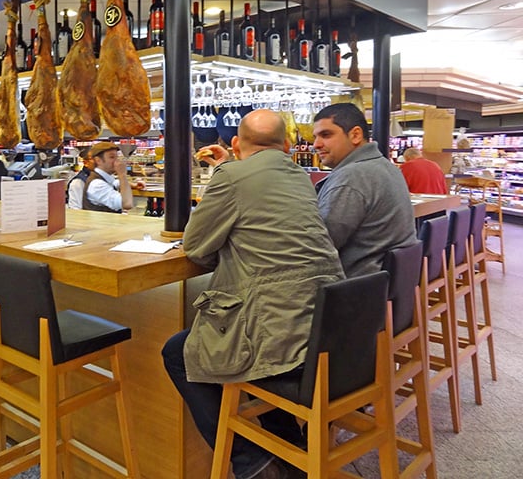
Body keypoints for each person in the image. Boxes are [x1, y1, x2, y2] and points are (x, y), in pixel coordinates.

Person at [162, 109, 344, 479]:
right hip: (328, 330)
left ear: (234, 143)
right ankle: (291, 455)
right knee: (250, 347)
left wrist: (224, 172)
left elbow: (196, 247)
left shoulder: (229, 175)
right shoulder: (302, 176)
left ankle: (253, 464)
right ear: (289, 145)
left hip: (279, 334)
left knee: (178, 353)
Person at [312, 102, 416, 277]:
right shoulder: (385, 166)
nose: (316, 144)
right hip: (390, 283)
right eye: (315, 137)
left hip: (356, 289)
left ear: (355, 135)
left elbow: (320, 246)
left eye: (326, 135)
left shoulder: (351, 177)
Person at [82, 142, 136, 213]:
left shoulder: (103, 178)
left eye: (117, 157)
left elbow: (114, 183)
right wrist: (122, 175)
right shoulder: (97, 185)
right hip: (102, 224)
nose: (117, 161)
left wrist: (132, 185)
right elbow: (127, 204)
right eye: (112, 157)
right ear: (98, 160)